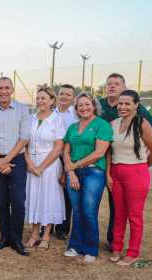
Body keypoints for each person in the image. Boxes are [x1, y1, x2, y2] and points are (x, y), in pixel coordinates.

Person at [98, 73, 152, 251]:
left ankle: (122, 246)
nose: (112, 86)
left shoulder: (138, 115)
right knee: (111, 209)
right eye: (109, 83)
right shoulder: (103, 111)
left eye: (116, 83)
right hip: (106, 165)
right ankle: (111, 244)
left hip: (132, 169)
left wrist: (142, 164)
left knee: (128, 212)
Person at [0, 77, 31, 256]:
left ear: (12, 89)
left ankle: (16, 240)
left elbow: (24, 138)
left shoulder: (23, 110)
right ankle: (4, 238)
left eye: (6, 88)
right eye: (0, 88)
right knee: (2, 203)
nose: (3, 91)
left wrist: (7, 160)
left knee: (18, 202)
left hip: (16, 160)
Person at [63, 93, 113, 263]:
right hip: (73, 173)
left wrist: (75, 167)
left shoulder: (102, 125)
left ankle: (90, 248)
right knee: (76, 211)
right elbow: (65, 151)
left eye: (87, 104)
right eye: (80, 106)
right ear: (76, 109)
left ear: (94, 105)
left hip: (93, 172)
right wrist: (70, 172)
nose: (83, 108)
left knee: (88, 211)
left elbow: (99, 153)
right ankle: (74, 246)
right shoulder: (72, 127)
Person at [24, 86, 66, 250]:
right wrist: (29, 163)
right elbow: (24, 143)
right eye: (38, 98)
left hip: (49, 164)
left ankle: (46, 234)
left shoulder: (57, 120)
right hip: (31, 164)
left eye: (44, 98)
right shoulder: (31, 119)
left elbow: (58, 148)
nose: (40, 101)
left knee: (48, 197)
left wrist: (41, 167)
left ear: (52, 101)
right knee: (33, 197)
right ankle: (34, 233)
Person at [53, 84, 78, 240]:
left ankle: (62, 228)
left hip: (68, 157)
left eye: (68, 94)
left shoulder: (76, 115)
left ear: (73, 98)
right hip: (51, 157)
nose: (64, 97)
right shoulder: (50, 113)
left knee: (67, 194)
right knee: (50, 191)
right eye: (61, 93)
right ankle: (45, 224)